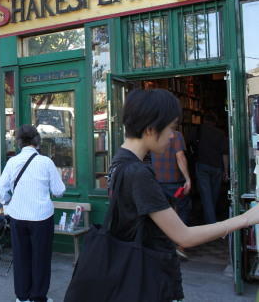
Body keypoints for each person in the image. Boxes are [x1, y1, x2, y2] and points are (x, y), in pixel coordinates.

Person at [93, 89, 259, 300]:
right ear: (151, 129)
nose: (173, 136)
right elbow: (184, 236)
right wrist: (246, 218)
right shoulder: (138, 173)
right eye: (171, 129)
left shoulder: (119, 162)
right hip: (145, 282)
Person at [0, 124, 66, 302]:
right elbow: (59, 190)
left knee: (21, 257)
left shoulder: (12, 162)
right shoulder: (46, 162)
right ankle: (38, 296)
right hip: (41, 217)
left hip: (18, 216)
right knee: (41, 258)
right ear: (37, 141)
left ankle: (22, 296)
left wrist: (6, 201)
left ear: (18, 143)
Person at [150, 129, 192, 259]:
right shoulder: (176, 135)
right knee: (183, 210)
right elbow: (180, 157)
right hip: (174, 182)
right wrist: (187, 178)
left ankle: (163, 246)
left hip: (156, 181)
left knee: (161, 213)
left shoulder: (150, 133)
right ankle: (180, 245)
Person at [194, 112, 229, 224]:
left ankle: (210, 222)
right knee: (214, 194)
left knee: (206, 195)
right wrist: (226, 171)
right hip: (217, 167)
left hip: (202, 165)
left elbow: (190, 144)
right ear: (215, 122)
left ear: (204, 120)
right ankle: (211, 217)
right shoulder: (220, 133)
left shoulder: (199, 130)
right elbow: (225, 154)